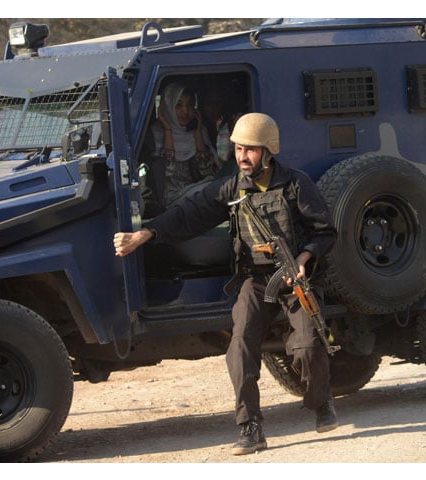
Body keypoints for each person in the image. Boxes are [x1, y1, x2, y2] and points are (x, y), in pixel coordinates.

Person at [114, 112, 339, 455]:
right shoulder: (231, 188)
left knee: (308, 346)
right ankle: (250, 427)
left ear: (268, 151)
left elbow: (325, 231)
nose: (242, 157)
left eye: (249, 150)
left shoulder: (296, 185)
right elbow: (190, 212)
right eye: (237, 149)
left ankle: (321, 401)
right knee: (240, 347)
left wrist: (304, 260)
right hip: (254, 279)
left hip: (295, 278)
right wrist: (145, 233)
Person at [142, 81, 218, 216]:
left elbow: (207, 171)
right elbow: (168, 173)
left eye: (190, 105)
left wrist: (197, 133)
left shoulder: (199, 130)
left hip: (197, 190)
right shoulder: (155, 134)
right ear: (168, 107)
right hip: (171, 198)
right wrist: (168, 130)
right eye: (178, 105)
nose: (186, 111)